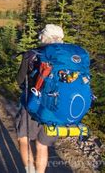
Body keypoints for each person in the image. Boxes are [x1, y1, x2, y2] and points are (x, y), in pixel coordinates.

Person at [16, 24, 64, 173]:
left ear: (43, 37)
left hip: (32, 104)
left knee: (23, 139)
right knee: (42, 146)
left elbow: (19, 80)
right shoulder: (65, 58)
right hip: (55, 109)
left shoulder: (32, 54)